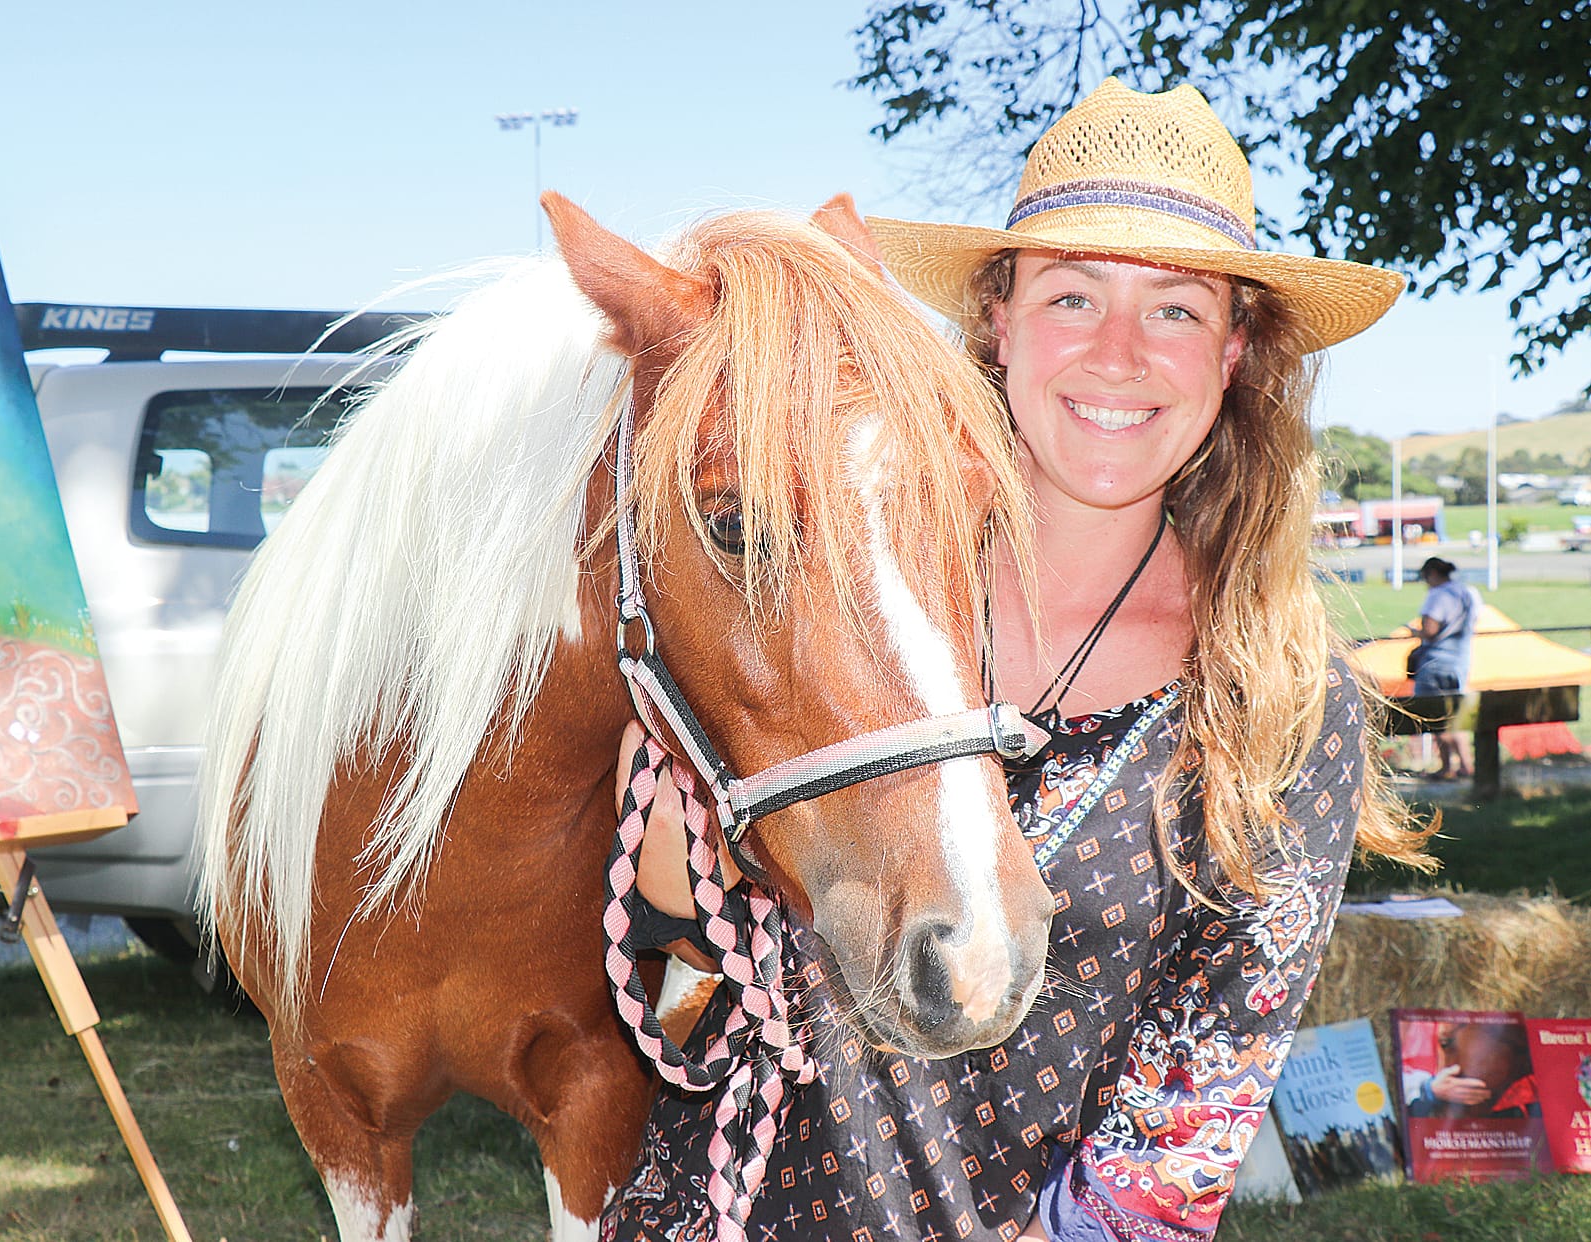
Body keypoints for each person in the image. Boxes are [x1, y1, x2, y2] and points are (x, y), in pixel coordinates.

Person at [602, 79, 1433, 1242]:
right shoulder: (811, 605)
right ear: (997, 321)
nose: (1116, 355)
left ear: (1236, 351)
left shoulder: (1281, 700)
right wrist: (671, 834)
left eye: (1176, 311)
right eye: (1071, 295)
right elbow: (668, 1017)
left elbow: (1186, 1122)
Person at [1409, 556, 1479, 780]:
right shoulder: (1465, 592)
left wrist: (1415, 633)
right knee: (1455, 716)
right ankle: (1466, 764)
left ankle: (1446, 766)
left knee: (1435, 716)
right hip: (1460, 661)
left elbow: (1430, 629)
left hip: (1435, 662)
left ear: (1432, 574)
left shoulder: (1438, 596)